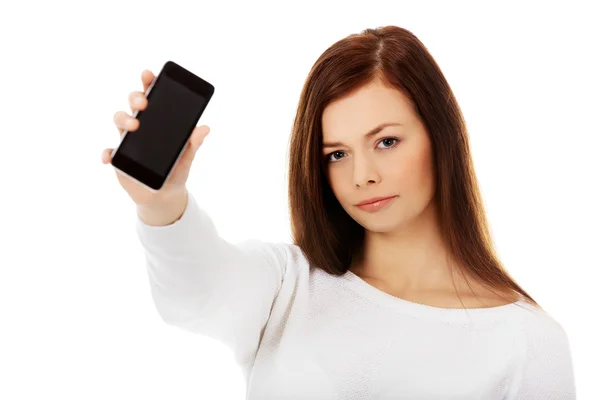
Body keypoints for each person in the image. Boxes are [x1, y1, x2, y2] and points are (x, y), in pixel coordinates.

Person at [102, 25, 576, 399]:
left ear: (442, 136)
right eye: (337, 154)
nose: (361, 176)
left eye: (386, 142)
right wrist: (160, 200)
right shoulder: (286, 285)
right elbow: (195, 294)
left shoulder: (528, 342)